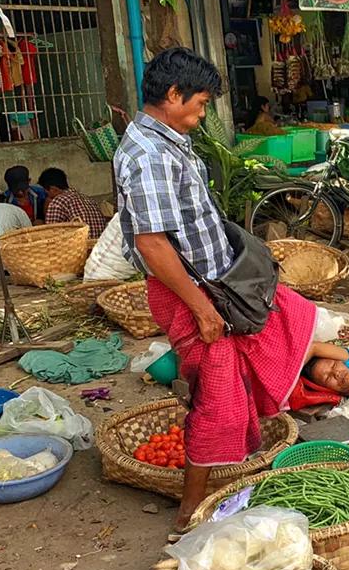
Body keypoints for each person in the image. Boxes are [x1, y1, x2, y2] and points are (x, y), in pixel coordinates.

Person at [115, 47, 336, 532]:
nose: (201, 114)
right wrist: (201, 309)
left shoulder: (168, 139)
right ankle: (188, 513)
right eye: (198, 103)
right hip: (193, 294)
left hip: (220, 285)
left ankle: (225, 474)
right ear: (172, 95)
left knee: (286, 320)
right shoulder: (148, 154)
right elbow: (151, 244)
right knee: (218, 402)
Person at [39, 168, 106, 239]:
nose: (46, 195)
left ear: (53, 189)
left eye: (45, 191)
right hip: (98, 245)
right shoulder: (88, 199)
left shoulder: (58, 201)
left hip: (78, 247)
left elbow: (51, 235)